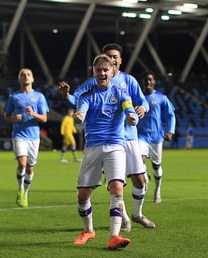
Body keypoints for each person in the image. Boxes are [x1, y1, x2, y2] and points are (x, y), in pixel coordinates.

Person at [59, 43, 155, 231]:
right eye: (108, 56)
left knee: (139, 180)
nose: (112, 59)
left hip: (130, 137)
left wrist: (143, 108)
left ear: (119, 61)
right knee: (115, 184)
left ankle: (137, 214)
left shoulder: (129, 81)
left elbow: (141, 100)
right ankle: (124, 218)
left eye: (114, 57)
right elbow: (79, 100)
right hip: (107, 140)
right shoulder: (92, 83)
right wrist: (67, 96)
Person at [72, 54, 136, 250]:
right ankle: (88, 230)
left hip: (115, 146)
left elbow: (128, 109)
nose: (102, 73)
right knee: (83, 195)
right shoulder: (87, 96)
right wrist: (79, 116)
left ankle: (114, 236)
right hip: (93, 147)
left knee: (117, 188)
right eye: (98, 70)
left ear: (111, 71)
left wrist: (133, 117)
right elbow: (81, 111)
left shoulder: (121, 93)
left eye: (105, 69)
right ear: (94, 72)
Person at [4, 68, 49, 208]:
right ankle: (20, 189)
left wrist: (33, 114)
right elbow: (6, 115)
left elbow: (44, 118)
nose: (26, 77)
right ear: (19, 79)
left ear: (33, 78)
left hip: (34, 137)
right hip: (19, 135)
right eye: (23, 75)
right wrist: (14, 118)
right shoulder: (14, 97)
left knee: (30, 168)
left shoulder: (39, 97)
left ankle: (26, 193)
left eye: (28, 74)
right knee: (22, 164)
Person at [137, 70, 176, 204]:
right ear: (142, 82)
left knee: (156, 165)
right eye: (145, 80)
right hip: (140, 136)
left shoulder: (161, 97)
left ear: (154, 82)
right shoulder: (137, 96)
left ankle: (157, 189)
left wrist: (170, 131)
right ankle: (145, 180)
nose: (148, 82)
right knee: (139, 162)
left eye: (150, 80)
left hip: (156, 137)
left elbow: (171, 115)